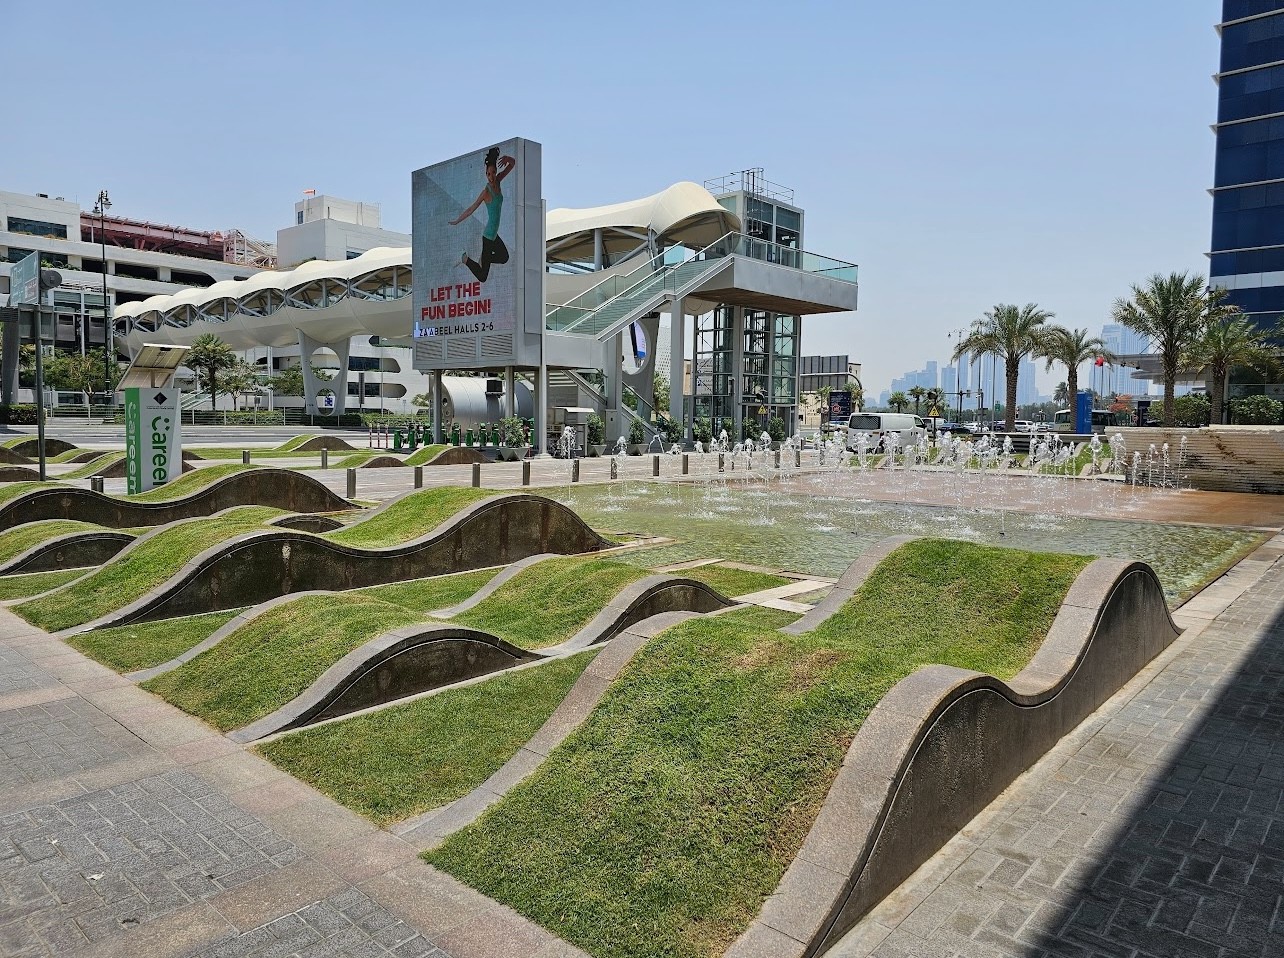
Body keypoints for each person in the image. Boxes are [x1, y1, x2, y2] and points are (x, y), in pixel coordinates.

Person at [450, 147, 516, 284]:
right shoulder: (486, 192)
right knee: (482, 277)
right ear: (486, 175)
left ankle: (485, 258)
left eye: (493, 173)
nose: (491, 177)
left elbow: (512, 164)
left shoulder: (498, 181)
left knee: (504, 257)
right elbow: (471, 209)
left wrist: (507, 159)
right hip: (488, 237)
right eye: (488, 174)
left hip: (494, 235)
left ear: (496, 172)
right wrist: (457, 221)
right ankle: (465, 259)